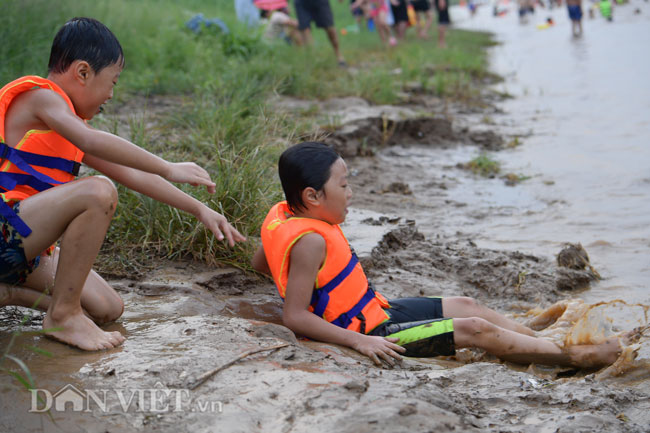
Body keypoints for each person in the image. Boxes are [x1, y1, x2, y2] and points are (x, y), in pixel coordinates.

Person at [252, 142, 635, 368]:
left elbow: (263, 259)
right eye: (344, 185)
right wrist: (358, 343)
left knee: (468, 304)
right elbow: (295, 316)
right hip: (370, 333)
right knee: (475, 329)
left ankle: (544, 342)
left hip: (376, 310)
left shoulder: (282, 215)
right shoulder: (311, 241)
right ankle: (577, 357)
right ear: (312, 197)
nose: (351, 192)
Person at [0, 17, 246, 351]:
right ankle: (63, 316)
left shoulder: (69, 126)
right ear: (83, 72)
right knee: (98, 191)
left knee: (108, 308)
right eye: (112, 81)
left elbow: (132, 174)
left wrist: (199, 208)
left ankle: (11, 295)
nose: (112, 94)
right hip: (6, 232)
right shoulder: (41, 98)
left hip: (22, 248)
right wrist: (168, 166)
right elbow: (91, 140)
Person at [293, 0, 346, 66]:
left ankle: (339, 55)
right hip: (301, 2)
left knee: (330, 29)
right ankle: (312, 60)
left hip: (320, 2)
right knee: (305, 30)